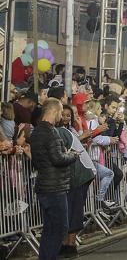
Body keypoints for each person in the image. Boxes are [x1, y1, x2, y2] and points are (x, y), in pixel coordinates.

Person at [29, 98, 78, 260]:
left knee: (50, 228)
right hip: (54, 187)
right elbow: (58, 159)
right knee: (59, 228)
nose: (61, 117)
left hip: (45, 184)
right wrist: (72, 156)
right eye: (60, 113)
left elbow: (38, 159)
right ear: (55, 111)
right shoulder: (50, 132)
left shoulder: (36, 131)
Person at [58, 104, 96, 258]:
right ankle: (65, 244)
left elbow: (60, 155)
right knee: (69, 210)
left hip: (79, 174)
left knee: (74, 210)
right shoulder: (61, 131)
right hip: (75, 174)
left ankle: (71, 244)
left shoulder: (61, 132)